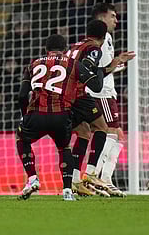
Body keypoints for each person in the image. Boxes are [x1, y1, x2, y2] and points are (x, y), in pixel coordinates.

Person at [16, 33, 104, 201]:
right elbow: (96, 86)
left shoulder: (34, 64)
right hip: (61, 115)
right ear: (65, 50)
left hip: (36, 115)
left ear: (45, 49)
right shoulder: (74, 64)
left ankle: (33, 178)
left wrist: (24, 117)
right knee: (64, 148)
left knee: (21, 138)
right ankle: (67, 191)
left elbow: (21, 95)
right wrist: (98, 70)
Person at [67, 19, 132, 196]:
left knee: (83, 133)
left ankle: (74, 181)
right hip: (81, 95)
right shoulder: (94, 48)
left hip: (67, 96)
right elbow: (89, 72)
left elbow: (92, 70)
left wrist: (116, 61)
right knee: (102, 128)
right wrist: (94, 82)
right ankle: (91, 173)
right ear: (103, 37)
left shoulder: (75, 46)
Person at [85, 3, 135, 197]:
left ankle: (103, 179)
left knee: (116, 136)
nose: (116, 20)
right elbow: (102, 70)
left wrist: (120, 63)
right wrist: (119, 61)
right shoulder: (101, 39)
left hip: (107, 92)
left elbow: (106, 68)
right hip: (102, 94)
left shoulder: (106, 39)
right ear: (101, 18)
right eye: (112, 16)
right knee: (110, 133)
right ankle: (96, 178)